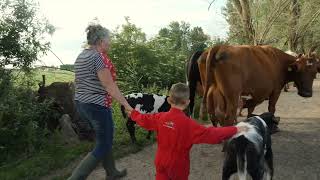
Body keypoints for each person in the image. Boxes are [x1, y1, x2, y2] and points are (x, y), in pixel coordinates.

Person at [126, 82, 248, 180]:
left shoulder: (159, 117)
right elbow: (212, 134)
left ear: (169, 100)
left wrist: (133, 113)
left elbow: (144, 119)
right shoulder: (189, 125)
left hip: (160, 161)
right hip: (179, 166)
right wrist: (235, 129)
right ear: (187, 102)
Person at [68, 24, 133, 180]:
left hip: (82, 104)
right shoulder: (97, 57)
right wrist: (127, 105)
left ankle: (111, 172)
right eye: (108, 39)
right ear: (101, 40)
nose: (110, 42)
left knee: (104, 138)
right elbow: (109, 85)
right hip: (96, 106)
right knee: (104, 143)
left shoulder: (82, 55)